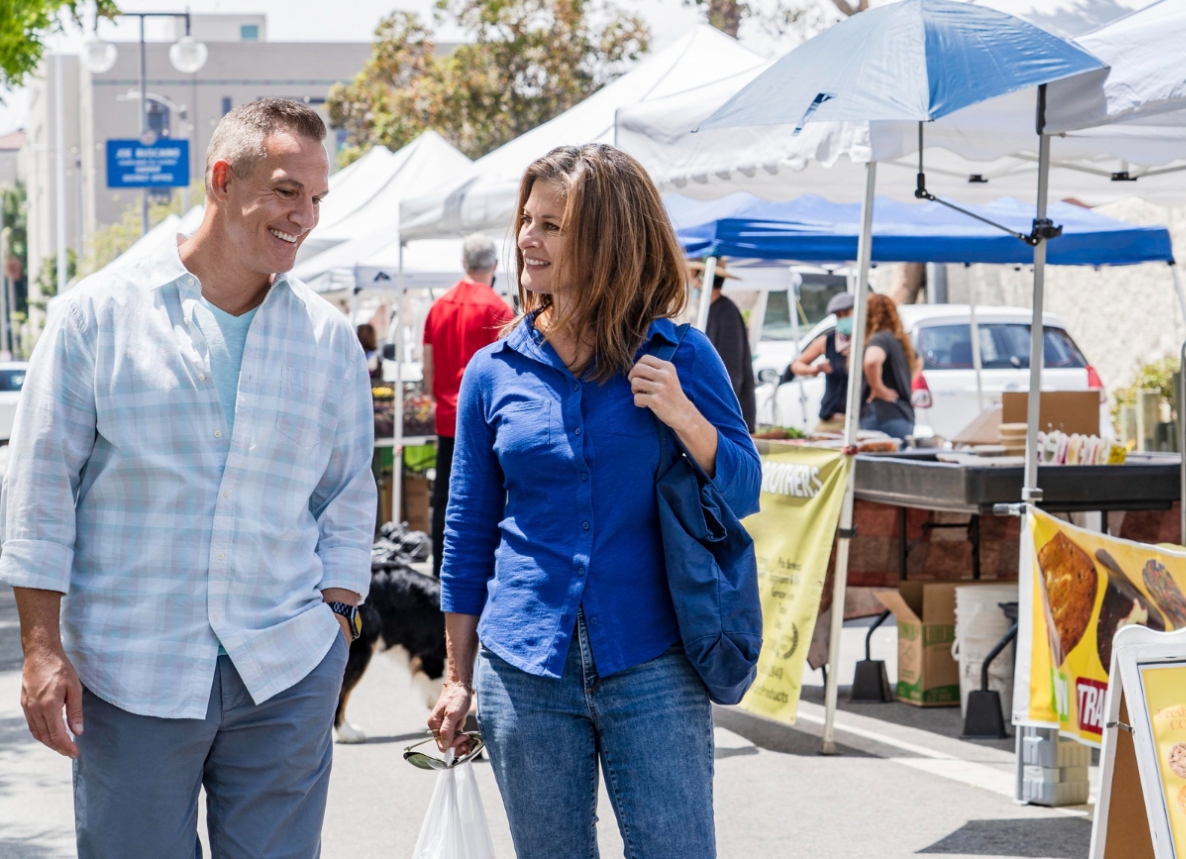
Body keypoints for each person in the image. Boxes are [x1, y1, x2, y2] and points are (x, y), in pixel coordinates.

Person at [0, 98, 376, 859]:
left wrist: (336, 617)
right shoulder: (95, 317)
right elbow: (40, 493)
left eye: (314, 198)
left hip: (287, 668)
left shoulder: (327, 338)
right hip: (132, 669)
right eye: (284, 190)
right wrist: (43, 650)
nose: (303, 216)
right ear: (220, 179)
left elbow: (346, 491)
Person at [428, 144, 760, 859]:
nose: (527, 237)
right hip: (523, 668)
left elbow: (744, 487)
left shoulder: (682, 356)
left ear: (609, 237)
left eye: (552, 223)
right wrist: (458, 677)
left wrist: (684, 417)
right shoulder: (493, 370)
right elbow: (466, 535)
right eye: (526, 218)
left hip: (653, 659)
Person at [422, 235, 514, 577]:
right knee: (487, 504)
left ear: (464, 264)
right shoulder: (498, 309)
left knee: (445, 501)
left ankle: (439, 574)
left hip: (448, 418)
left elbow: (427, 369)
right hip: (487, 423)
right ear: (493, 266)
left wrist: (442, 399)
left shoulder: (438, 307)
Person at [789, 291, 854, 432]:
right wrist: (814, 370)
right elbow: (797, 365)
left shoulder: (869, 341)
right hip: (831, 417)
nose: (843, 319)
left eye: (846, 314)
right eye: (839, 316)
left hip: (860, 418)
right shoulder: (829, 341)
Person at [701, 266, 756, 430]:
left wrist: (722, 413)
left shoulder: (726, 312)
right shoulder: (711, 309)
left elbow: (732, 371)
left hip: (728, 419)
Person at [859, 293, 919, 440]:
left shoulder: (880, 338)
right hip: (902, 414)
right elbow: (918, 363)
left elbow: (871, 361)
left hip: (881, 415)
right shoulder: (899, 342)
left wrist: (878, 388)